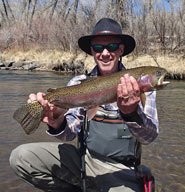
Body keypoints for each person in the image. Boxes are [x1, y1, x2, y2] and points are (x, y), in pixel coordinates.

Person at [9, 18, 158, 192]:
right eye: (97, 48)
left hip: (122, 171)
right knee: (21, 157)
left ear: (121, 50)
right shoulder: (78, 83)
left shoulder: (141, 89)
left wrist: (131, 113)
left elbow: (149, 137)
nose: (104, 53)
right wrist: (55, 120)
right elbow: (69, 134)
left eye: (111, 47)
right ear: (92, 51)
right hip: (83, 162)